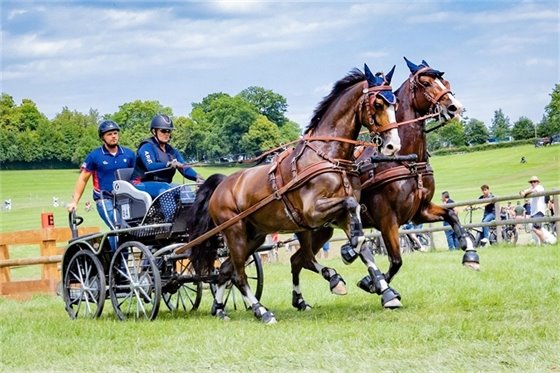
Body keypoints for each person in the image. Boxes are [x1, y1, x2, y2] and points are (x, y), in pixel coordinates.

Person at [67, 120, 135, 251]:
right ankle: (119, 264)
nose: (113, 136)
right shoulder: (95, 156)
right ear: (102, 137)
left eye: (115, 133)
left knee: (129, 228)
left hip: (125, 198)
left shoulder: (129, 154)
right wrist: (74, 201)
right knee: (118, 226)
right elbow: (83, 179)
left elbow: (137, 177)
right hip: (105, 199)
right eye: (109, 134)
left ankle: (115, 260)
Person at [131, 114, 204, 199]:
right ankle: (167, 213)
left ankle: (187, 212)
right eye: (163, 131)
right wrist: (168, 164)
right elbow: (151, 166)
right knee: (165, 190)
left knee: (185, 189)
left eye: (169, 131)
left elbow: (184, 167)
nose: (167, 134)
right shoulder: (146, 147)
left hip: (163, 185)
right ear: (154, 131)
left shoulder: (172, 151)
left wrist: (197, 177)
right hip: (140, 183)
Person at [520, 176, 547, 245]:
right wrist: (524, 192)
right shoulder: (532, 188)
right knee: (539, 228)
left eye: (534, 181)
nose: (533, 183)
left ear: (538, 182)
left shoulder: (540, 187)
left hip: (539, 211)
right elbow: (521, 192)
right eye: (531, 182)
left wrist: (525, 192)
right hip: (534, 212)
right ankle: (542, 244)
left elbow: (532, 190)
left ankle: (545, 241)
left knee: (535, 228)